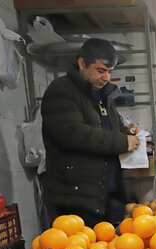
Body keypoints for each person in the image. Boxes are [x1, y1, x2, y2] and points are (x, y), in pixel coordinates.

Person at [41, 38, 139, 227]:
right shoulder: (61, 90)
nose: (106, 78)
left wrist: (132, 136)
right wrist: (122, 141)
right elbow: (73, 133)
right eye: (101, 71)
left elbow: (114, 126)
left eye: (110, 72)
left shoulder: (103, 95)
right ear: (82, 64)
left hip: (106, 197)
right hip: (76, 200)